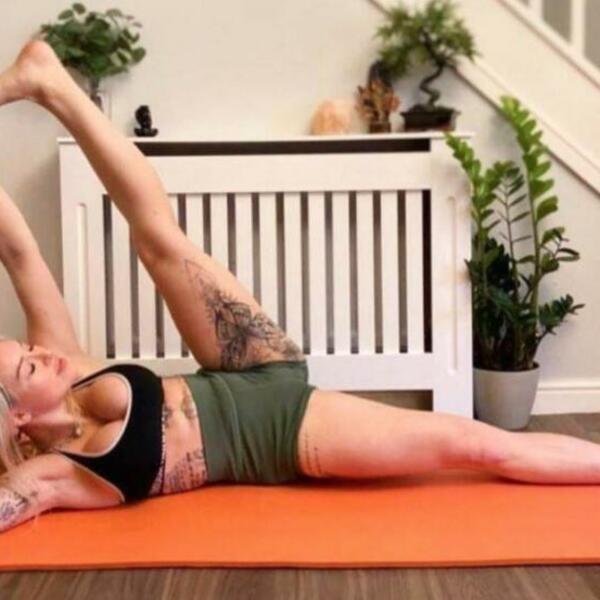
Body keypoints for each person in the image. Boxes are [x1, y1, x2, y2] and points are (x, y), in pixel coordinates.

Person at [0, 40, 599, 535]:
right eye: (27, 366)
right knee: (476, 446)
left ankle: (51, 82)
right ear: (18, 416)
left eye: (27, 348)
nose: (41, 353)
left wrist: (37, 362)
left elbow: (19, 253)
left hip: (249, 362)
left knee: (159, 241)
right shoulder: (51, 474)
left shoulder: (66, 365)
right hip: (286, 429)